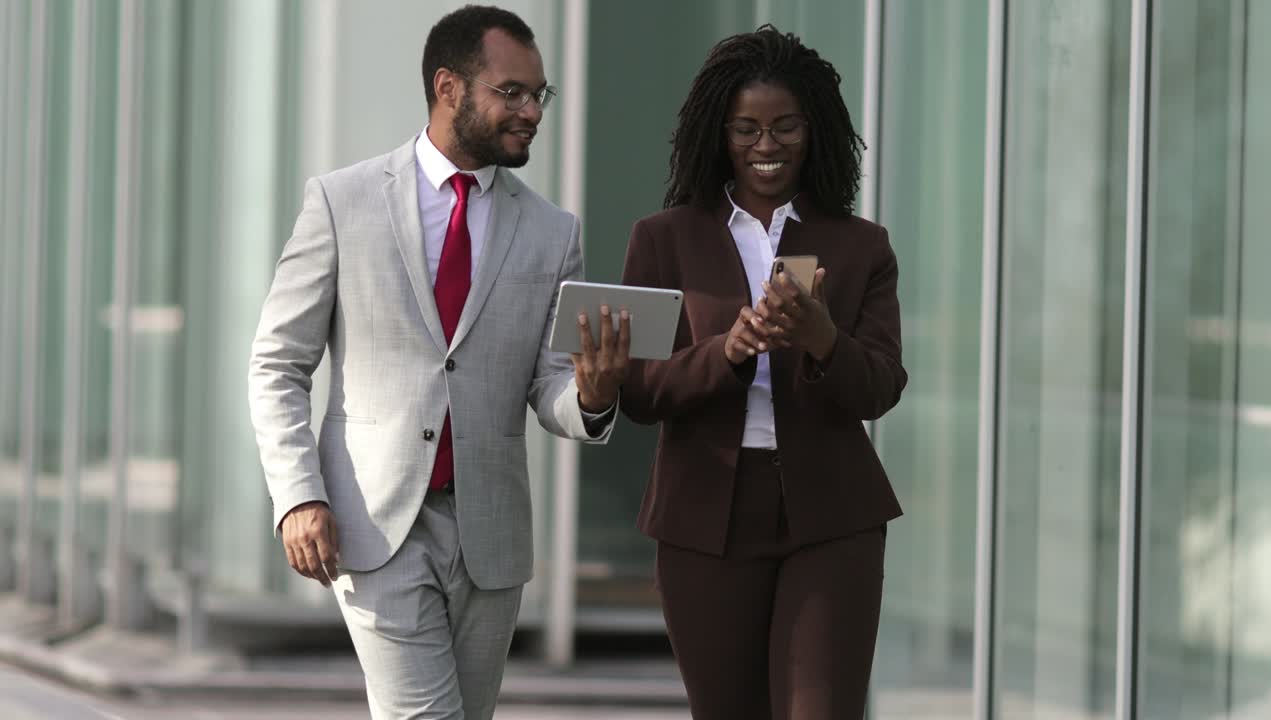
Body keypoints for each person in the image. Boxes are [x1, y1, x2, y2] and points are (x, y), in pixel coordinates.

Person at [247, 6, 629, 718]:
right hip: (376, 525)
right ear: (448, 87)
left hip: (491, 536)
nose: (530, 113)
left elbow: (547, 385)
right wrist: (298, 494)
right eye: (510, 92)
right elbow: (277, 363)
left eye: (538, 95)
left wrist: (592, 394)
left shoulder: (553, 231)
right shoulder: (342, 202)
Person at [619, 25, 906, 720]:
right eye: (745, 129)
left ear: (816, 130)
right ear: (719, 133)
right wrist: (727, 352)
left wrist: (821, 339)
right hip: (703, 515)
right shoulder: (664, 239)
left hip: (833, 514)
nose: (766, 146)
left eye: (785, 127)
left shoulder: (861, 245)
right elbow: (639, 391)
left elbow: (882, 384)